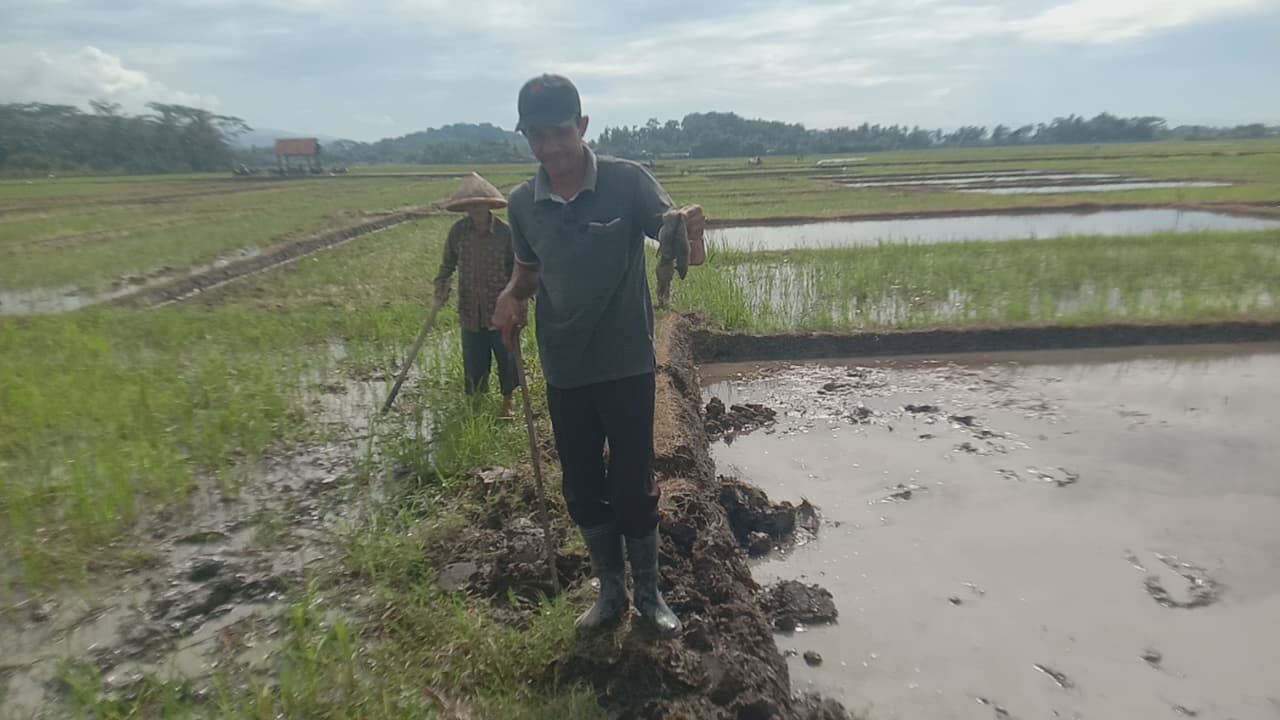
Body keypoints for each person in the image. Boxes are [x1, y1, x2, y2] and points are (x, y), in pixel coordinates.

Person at [491, 74, 705, 637]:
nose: (549, 148)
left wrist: (690, 232)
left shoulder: (626, 182)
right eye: (535, 136)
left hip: (627, 364)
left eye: (559, 132)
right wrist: (511, 297)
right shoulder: (521, 203)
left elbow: (678, 240)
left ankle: (650, 596)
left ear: (582, 127)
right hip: (565, 368)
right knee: (583, 488)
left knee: (633, 485)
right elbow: (528, 273)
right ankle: (610, 593)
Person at [434, 172, 519, 416]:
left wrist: (518, 300)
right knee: (474, 360)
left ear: (489, 205)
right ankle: (476, 406)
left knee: (507, 358)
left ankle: (508, 401)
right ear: (466, 207)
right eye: (472, 205)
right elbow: (447, 265)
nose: (477, 209)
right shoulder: (458, 233)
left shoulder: (505, 233)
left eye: (481, 204)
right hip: (471, 310)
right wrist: (441, 286)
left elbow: (516, 269)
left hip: (500, 311)